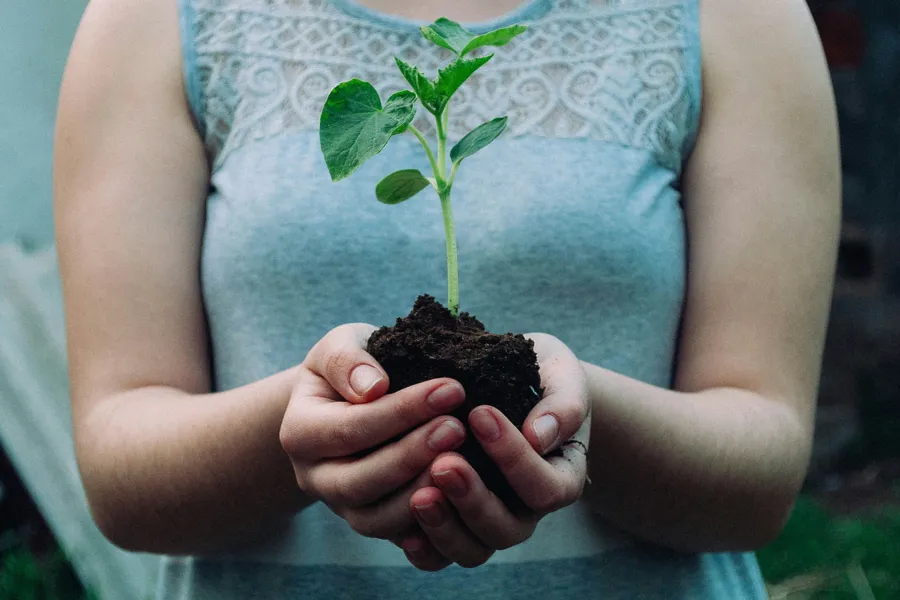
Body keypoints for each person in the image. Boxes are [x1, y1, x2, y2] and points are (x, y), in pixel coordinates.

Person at [53, 0, 840, 597]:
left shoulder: (741, 16)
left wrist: (584, 414)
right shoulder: (154, 17)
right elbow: (122, 478)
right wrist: (298, 431)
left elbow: (761, 475)